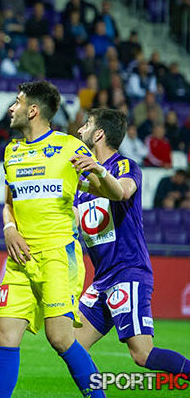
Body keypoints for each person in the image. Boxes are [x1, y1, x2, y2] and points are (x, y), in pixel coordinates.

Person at [0, 81, 104, 398]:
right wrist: (8, 229)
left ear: (33, 110)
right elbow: (9, 204)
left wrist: (101, 173)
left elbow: (105, 190)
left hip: (57, 256)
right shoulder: (11, 152)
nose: (12, 108)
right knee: (4, 334)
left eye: (17, 101)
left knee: (60, 337)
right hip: (20, 259)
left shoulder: (70, 148)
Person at [73, 108, 190, 377]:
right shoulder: (83, 181)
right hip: (102, 279)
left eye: (87, 125)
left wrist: (99, 171)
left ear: (99, 134)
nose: (80, 130)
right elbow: (75, 220)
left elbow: (123, 192)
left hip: (128, 272)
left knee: (142, 354)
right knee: (70, 344)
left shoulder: (124, 166)